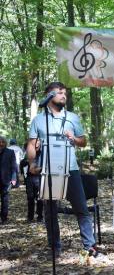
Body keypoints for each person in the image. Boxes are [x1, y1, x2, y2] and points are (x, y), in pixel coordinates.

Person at [26, 82, 98, 258]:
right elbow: (31, 144)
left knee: (81, 208)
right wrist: (32, 163)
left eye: (65, 93)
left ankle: (90, 246)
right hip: (47, 170)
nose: (64, 96)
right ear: (49, 95)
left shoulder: (72, 117)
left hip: (70, 169)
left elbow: (83, 141)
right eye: (60, 93)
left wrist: (73, 138)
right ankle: (54, 248)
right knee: (50, 212)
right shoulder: (38, 120)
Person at [20, 141, 43, 222]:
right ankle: (30, 217)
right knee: (30, 199)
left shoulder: (40, 158)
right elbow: (23, 174)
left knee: (40, 198)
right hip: (29, 181)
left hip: (39, 179)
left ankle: (40, 216)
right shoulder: (23, 161)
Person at [0, 136, 18, 224]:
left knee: (5, 199)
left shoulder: (10, 152)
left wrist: (14, 178)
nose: (1, 144)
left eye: (2, 142)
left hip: (6, 180)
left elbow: (14, 167)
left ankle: (4, 217)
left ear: (5, 143)